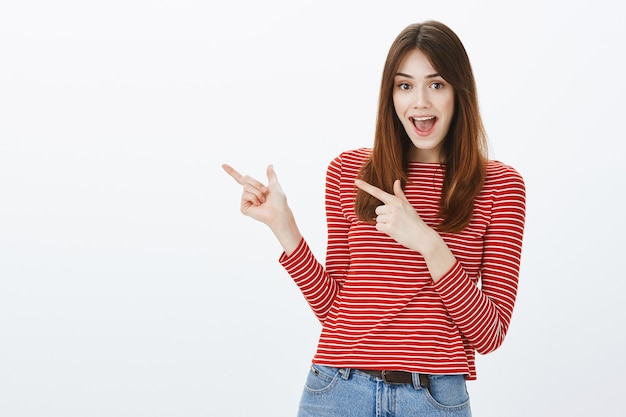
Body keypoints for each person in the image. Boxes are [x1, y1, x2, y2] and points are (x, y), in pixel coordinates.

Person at [222, 20, 525, 417]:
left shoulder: (500, 186)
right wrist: (285, 228)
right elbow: (336, 310)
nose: (420, 102)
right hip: (335, 389)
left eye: (436, 84)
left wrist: (428, 242)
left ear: (458, 93)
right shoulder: (350, 172)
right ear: (390, 94)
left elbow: (489, 334)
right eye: (405, 85)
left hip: (432, 398)